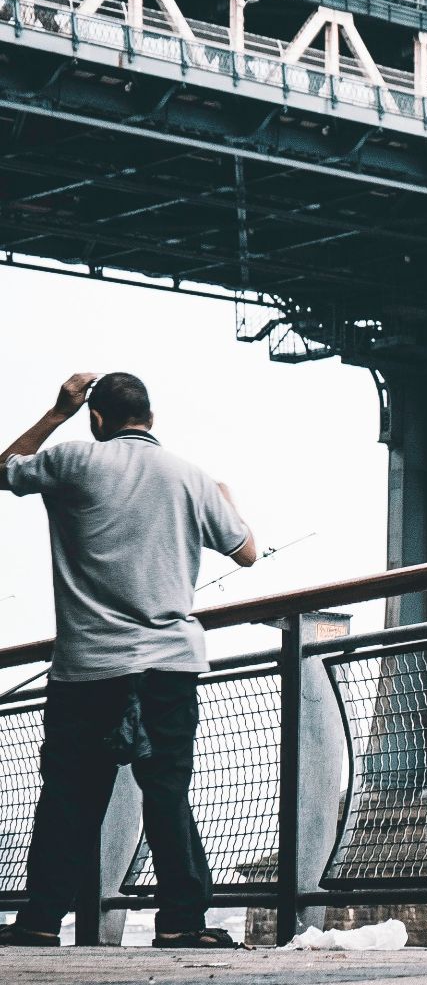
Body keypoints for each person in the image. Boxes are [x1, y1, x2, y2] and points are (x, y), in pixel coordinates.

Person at [0, 372, 258, 949]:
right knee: (166, 791)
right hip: (169, 665)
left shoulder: (71, 460)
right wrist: (224, 496)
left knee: (68, 796)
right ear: (152, 417)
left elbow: (2, 469)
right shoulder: (191, 477)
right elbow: (246, 552)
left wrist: (54, 412)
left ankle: (40, 921)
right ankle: (182, 923)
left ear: (96, 418)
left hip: (88, 666)